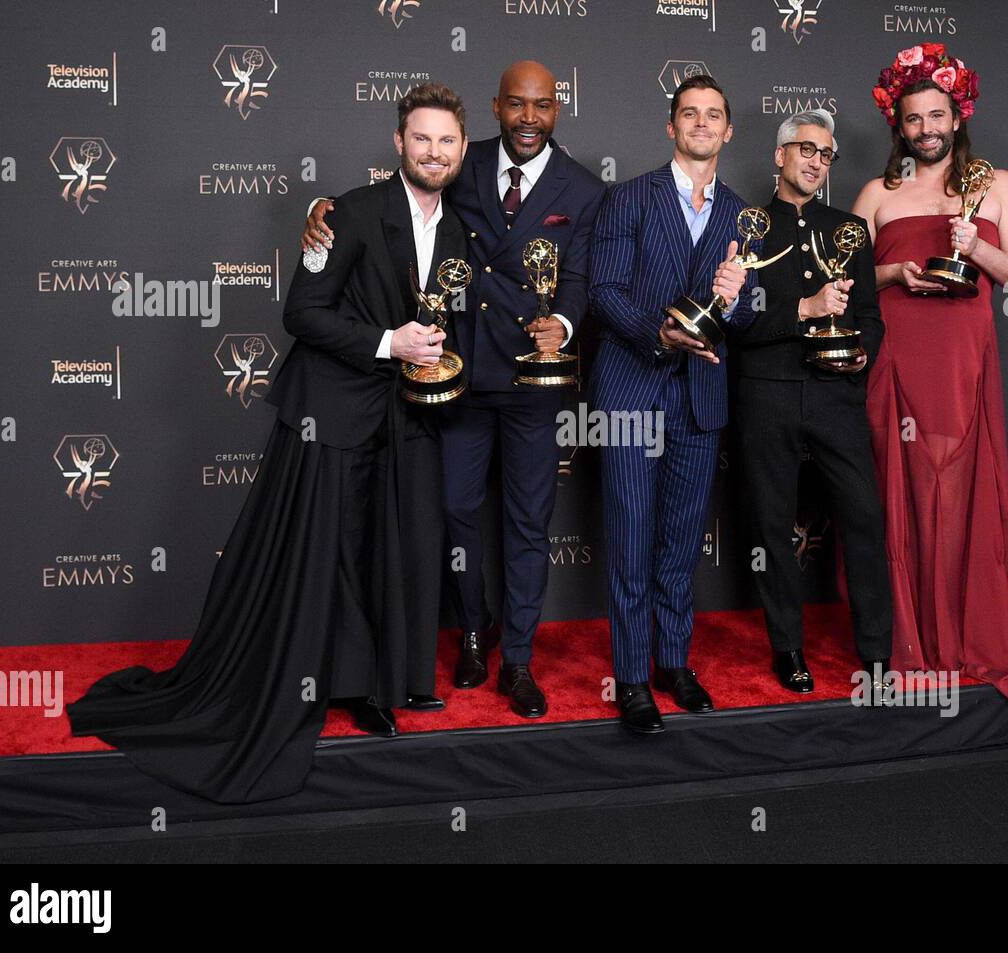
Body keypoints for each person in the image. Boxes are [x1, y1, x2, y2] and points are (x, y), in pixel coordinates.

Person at [66, 84, 471, 802]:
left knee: (394, 547)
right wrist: (389, 342)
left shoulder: (460, 231)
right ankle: (335, 687)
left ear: (463, 149)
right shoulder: (346, 213)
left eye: (446, 141)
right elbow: (301, 313)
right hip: (332, 413)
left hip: (408, 418)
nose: (433, 152)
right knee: (332, 553)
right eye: (421, 138)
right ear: (398, 143)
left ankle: (385, 683)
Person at [303, 62, 605, 719]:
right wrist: (321, 210)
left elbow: (579, 277)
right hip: (459, 376)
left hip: (532, 381)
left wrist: (563, 321)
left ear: (558, 109)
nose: (529, 117)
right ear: (496, 108)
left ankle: (518, 658)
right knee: (456, 510)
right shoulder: (462, 162)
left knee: (528, 522)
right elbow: (396, 199)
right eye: (517, 104)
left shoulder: (583, 188)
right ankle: (474, 629)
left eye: (542, 105)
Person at [851, 44, 1008, 708]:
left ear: (957, 114)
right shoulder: (877, 194)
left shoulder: (996, 185)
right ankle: (908, 641)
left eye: (936, 115)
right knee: (901, 497)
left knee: (956, 493)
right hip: (895, 363)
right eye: (914, 119)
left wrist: (978, 249)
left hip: (961, 363)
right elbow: (843, 280)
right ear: (899, 125)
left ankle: (962, 634)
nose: (926, 129)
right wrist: (893, 272)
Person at [589, 74, 756, 733]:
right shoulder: (630, 197)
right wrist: (658, 333)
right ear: (671, 126)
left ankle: (672, 662)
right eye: (690, 113)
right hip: (632, 387)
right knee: (631, 538)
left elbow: (747, 316)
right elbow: (603, 292)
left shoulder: (743, 216)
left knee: (681, 542)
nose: (702, 123)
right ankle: (632, 677)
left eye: (713, 114)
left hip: (698, 399)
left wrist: (734, 300)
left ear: (728, 130)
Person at [729, 110, 892, 694]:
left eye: (826, 154)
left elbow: (870, 315)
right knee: (772, 526)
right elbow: (735, 320)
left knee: (865, 518)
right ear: (780, 156)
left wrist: (859, 355)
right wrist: (804, 309)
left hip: (834, 396)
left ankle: (876, 652)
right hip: (765, 394)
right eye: (805, 149)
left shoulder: (849, 229)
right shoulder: (747, 227)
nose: (816, 162)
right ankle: (788, 648)